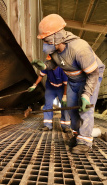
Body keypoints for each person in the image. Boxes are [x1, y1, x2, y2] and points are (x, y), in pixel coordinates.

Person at [31, 14, 105, 154]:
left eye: (46, 39)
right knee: (71, 109)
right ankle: (78, 136)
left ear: (56, 36)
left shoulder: (79, 49)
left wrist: (86, 95)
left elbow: (93, 74)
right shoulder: (54, 50)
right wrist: (44, 66)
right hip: (73, 80)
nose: (45, 43)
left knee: (84, 109)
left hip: (90, 78)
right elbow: (54, 63)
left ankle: (85, 142)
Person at [28, 65, 71, 132]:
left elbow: (66, 84)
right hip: (50, 88)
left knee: (64, 106)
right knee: (48, 105)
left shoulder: (63, 68)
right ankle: (47, 125)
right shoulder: (47, 65)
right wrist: (34, 85)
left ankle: (66, 126)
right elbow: (41, 75)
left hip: (61, 89)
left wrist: (64, 96)